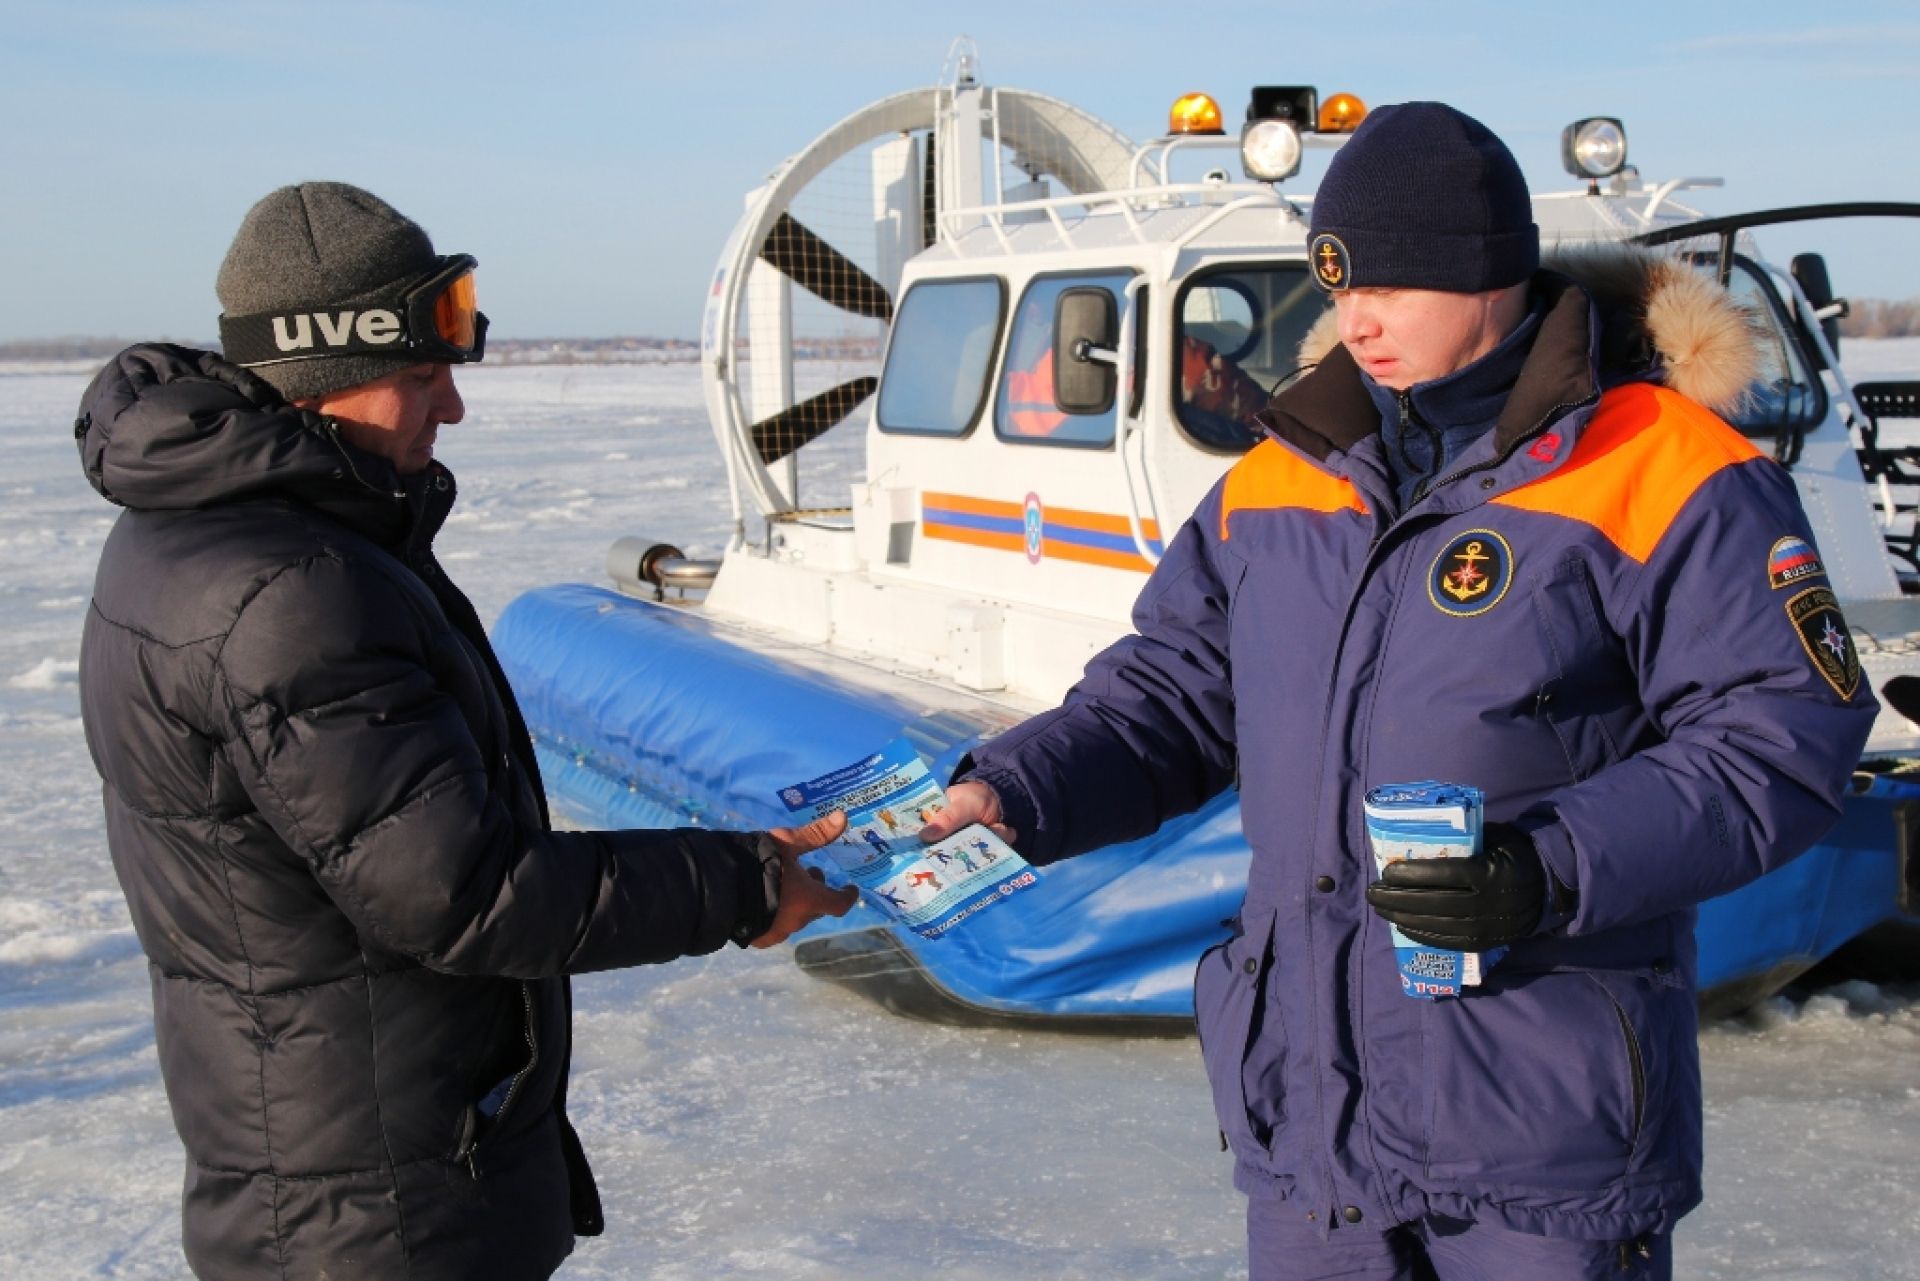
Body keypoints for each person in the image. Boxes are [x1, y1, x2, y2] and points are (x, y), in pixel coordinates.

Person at [922, 103, 1876, 1279]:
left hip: (1539, 1129)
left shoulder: (1669, 470)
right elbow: (1169, 695)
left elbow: (1779, 734)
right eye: (1338, 283)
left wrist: (1546, 868)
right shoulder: (1283, 478)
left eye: (1393, 288)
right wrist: (1017, 789)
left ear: (1490, 275)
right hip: (1313, 1130)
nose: (1356, 321)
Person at [74, 182, 856, 1281]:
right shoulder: (292, 588)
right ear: (329, 371)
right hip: (378, 1212)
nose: (452, 409)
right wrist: (745, 884)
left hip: (330, 1162)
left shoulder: (205, 535)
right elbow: (461, 892)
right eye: (421, 374)